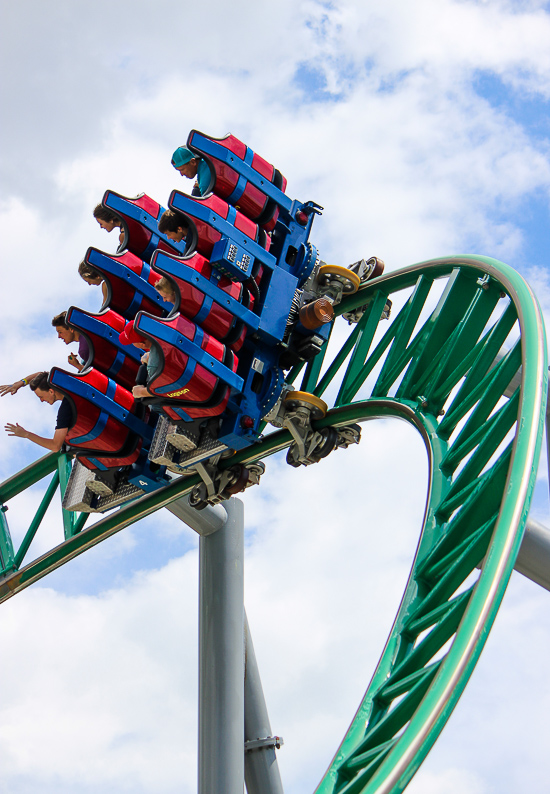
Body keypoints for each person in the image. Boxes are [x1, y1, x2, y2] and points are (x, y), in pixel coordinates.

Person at [0, 312, 91, 397]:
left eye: (60, 332)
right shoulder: (89, 335)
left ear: (71, 329)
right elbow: (43, 375)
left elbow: (94, 377)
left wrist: (77, 365)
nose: (59, 336)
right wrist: (20, 383)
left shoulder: (84, 350)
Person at [4, 372, 72, 452]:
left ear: (51, 391)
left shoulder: (64, 412)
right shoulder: (67, 383)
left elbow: (55, 446)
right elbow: (41, 375)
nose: (41, 400)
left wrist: (26, 434)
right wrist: (20, 383)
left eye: (41, 397)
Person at [119, 321, 160, 403]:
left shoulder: (153, 367)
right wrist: (152, 356)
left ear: (142, 344)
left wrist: (142, 392)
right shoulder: (169, 332)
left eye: (132, 342)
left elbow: (166, 391)